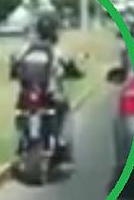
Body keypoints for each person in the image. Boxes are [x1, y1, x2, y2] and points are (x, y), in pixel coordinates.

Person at [9, 14, 81, 163]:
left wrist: (15, 74)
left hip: (27, 94)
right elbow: (69, 65)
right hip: (50, 94)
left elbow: (14, 62)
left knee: (21, 112)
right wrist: (76, 73)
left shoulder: (26, 48)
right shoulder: (56, 51)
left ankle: (22, 141)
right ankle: (61, 141)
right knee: (65, 109)